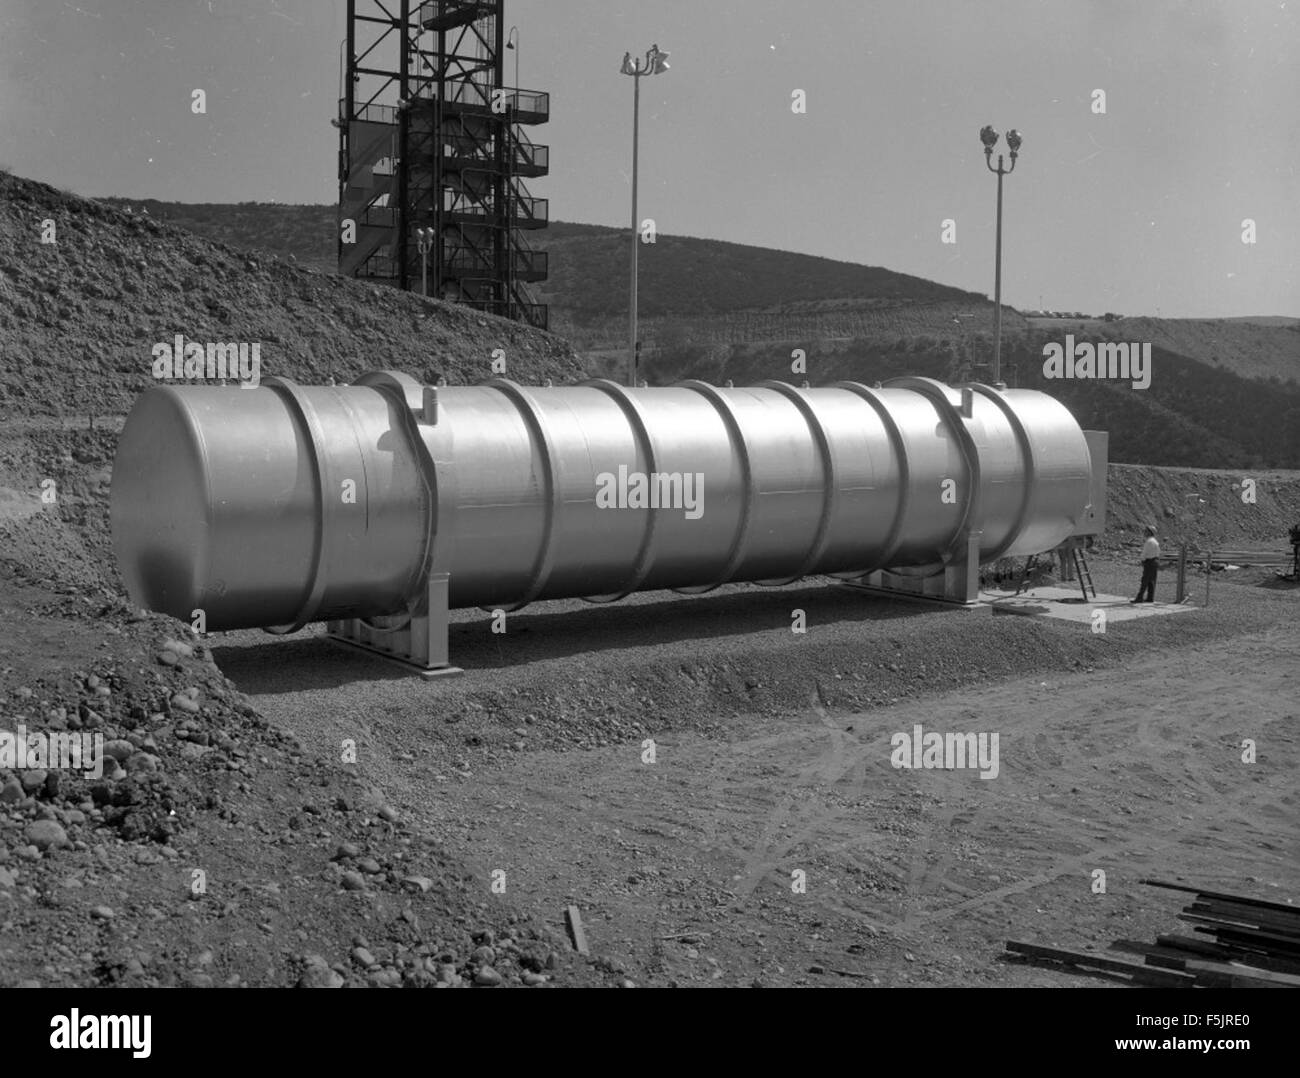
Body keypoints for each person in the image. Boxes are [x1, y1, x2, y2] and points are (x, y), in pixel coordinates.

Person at [1132, 525, 1159, 603]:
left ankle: (1139, 598)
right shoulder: (1155, 541)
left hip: (1149, 562)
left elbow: (1144, 553)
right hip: (1155, 561)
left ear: (1150, 532)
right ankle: (1150, 598)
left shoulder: (1149, 541)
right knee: (1151, 580)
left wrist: (1142, 560)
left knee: (1145, 580)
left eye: (1146, 531)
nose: (1144, 532)